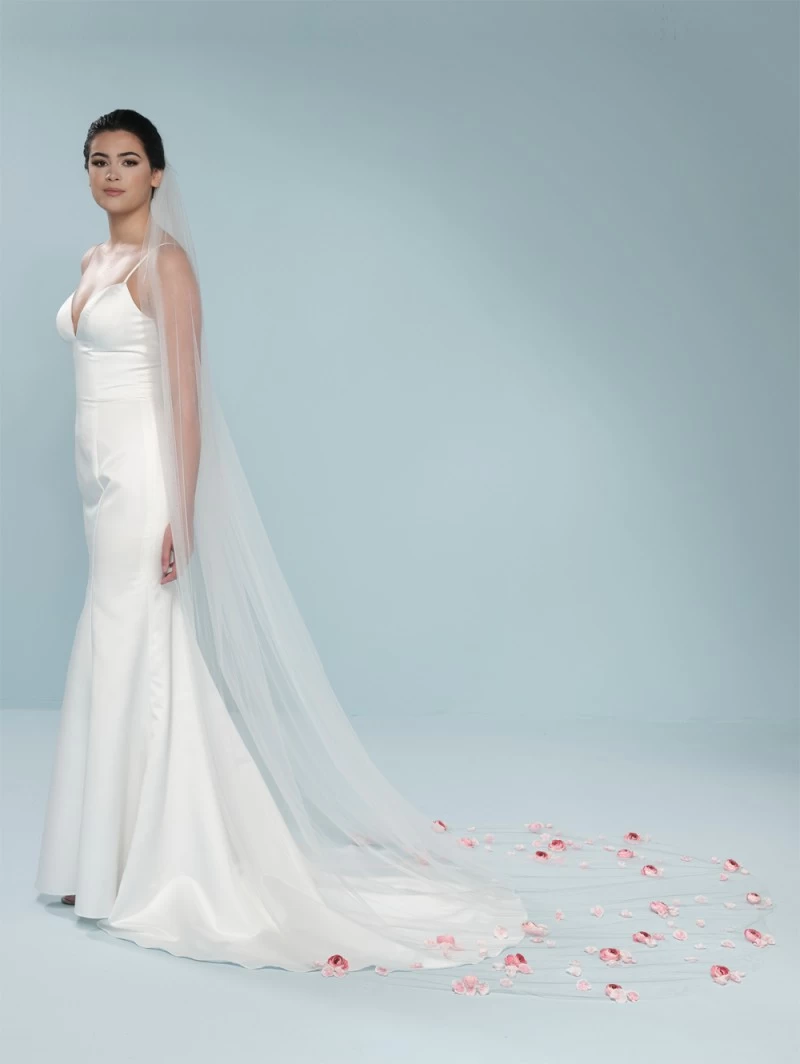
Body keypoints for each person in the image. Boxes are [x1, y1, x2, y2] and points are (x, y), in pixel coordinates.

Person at [35, 109, 776, 1001]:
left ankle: (145, 861)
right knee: (115, 646)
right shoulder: (95, 263)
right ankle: (103, 855)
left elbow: (187, 396)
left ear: (158, 174)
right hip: (99, 482)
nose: (111, 173)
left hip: (146, 485)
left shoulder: (168, 267)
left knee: (137, 650)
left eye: (128, 160)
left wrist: (182, 511)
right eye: (98, 160)